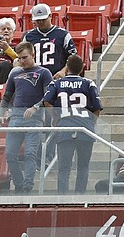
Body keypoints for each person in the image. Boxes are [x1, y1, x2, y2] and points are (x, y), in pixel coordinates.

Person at [42, 55, 103, 194]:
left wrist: (56, 117)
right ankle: (79, 196)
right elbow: (97, 107)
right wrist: (90, 122)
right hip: (85, 128)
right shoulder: (89, 83)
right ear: (82, 68)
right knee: (83, 166)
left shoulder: (56, 83)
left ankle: (62, 197)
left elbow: (46, 102)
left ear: (67, 68)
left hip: (65, 126)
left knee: (64, 168)